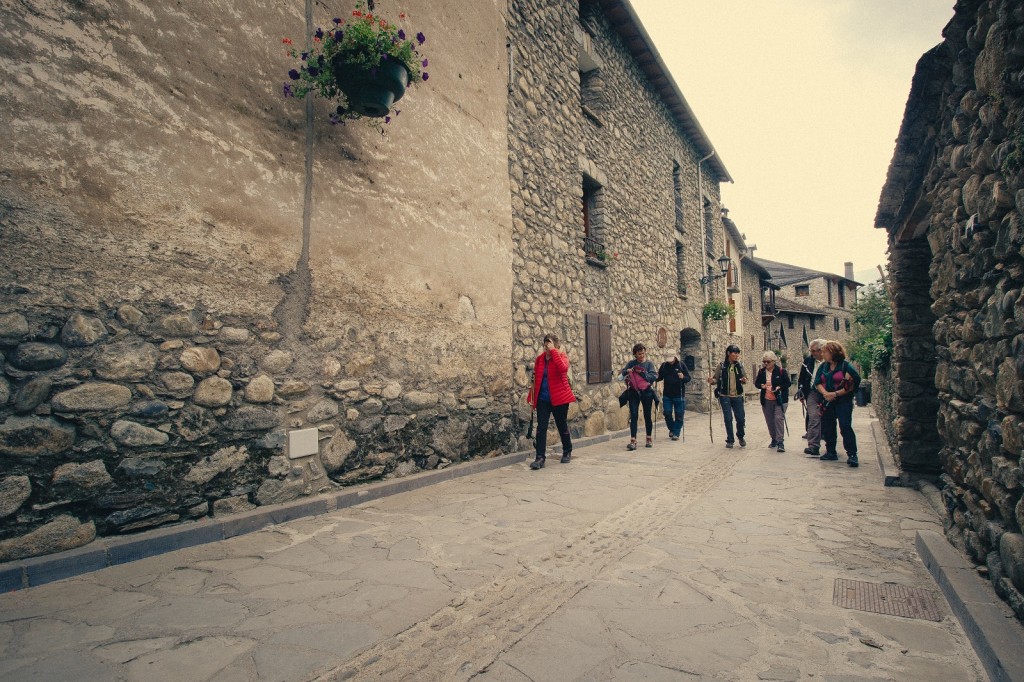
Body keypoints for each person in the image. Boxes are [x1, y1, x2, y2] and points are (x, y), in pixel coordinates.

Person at [526, 333, 576, 470]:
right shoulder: (539, 359)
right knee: (541, 428)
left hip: (560, 398)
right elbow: (536, 379)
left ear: (556, 345)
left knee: (561, 425)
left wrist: (554, 351)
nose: (546, 347)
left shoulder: (562, 357)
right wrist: (532, 397)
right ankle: (540, 457)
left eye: (549, 344)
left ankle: (567, 450)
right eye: (545, 344)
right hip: (543, 398)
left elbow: (563, 369)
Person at [814, 340, 862, 467]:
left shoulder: (845, 366)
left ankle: (852, 454)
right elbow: (817, 382)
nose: (823, 354)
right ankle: (830, 451)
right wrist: (825, 394)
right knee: (828, 426)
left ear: (833, 352)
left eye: (825, 352)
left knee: (845, 426)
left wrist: (834, 394)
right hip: (827, 401)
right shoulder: (823, 367)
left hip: (843, 401)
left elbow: (851, 385)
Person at [708, 344, 747, 448]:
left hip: (738, 396)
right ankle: (730, 439)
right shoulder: (721, 366)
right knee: (728, 418)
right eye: (735, 353)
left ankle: (741, 436)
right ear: (729, 353)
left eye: (738, 353)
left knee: (741, 419)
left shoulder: (740, 365)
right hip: (724, 396)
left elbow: (745, 378)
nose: (737, 355)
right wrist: (712, 381)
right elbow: (716, 379)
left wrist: (744, 380)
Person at [621, 343, 658, 450]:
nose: (641, 356)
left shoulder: (649, 364)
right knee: (633, 415)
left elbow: (653, 376)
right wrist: (626, 371)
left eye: (642, 353)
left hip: (647, 392)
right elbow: (621, 374)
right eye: (639, 354)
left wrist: (643, 373)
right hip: (633, 393)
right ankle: (633, 440)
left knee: (647, 415)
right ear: (635, 354)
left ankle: (648, 438)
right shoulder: (631, 363)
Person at [754, 350, 791, 452]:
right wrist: (762, 385)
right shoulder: (761, 372)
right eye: (764, 361)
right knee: (770, 421)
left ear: (773, 361)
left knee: (778, 419)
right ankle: (774, 438)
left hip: (780, 399)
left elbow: (788, 383)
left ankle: (780, 442)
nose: (766, 363)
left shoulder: (781, 371)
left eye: (768, 361)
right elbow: (757, 383)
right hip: (766, 400)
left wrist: (778, 387)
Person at [796, 339, 826, 457]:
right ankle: (813, 446)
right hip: (812, 392)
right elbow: (802, 377)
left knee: (828, 419)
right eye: (811, 351)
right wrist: (801, 393)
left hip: (826, 393)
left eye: (814, 351)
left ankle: (831, 447)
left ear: (822, 350)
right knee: (813, 417)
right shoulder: (808, 361)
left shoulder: (829, 362)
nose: (812, 353)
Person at [657, 351, 691, 441]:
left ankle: (676, 433)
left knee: (679, 414)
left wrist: (683, 377)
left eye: (671, 360)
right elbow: (659, 377)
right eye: (668, 360)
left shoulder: (681, 365)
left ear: (675, 357)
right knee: (667, 413)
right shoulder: (664, 366)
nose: (670, 362)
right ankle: (672, 429)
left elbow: (688, 378)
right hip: (667, 394)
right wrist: (653, 377)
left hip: (679, 394)